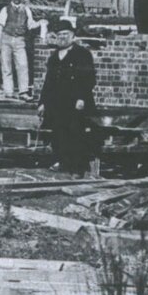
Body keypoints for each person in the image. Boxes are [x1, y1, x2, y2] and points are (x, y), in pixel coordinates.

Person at [38, 17, 101, 176]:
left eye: (66, 34)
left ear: (73, 36)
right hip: (57, 103)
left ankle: (78, 167)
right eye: (59, 35)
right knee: (58, 133)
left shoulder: (82, 54)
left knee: (76, 134)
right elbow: (48, 82)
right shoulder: (54, 58)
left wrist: (81, 98)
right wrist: (42, 103)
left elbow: (89, 79)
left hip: (75, 103)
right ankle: (63, 163)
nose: (62, 37)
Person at [0, 0, 44, 99]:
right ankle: (8, 92)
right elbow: (0, 27)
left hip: (20, 40)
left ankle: (23, 92)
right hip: (6, 39)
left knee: (22, 65)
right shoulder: (5, 10)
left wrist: (40, 22)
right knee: (6, 67)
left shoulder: (26, 10)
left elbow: (30, 25)